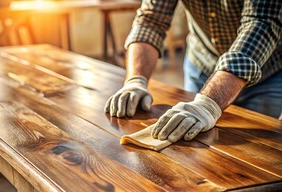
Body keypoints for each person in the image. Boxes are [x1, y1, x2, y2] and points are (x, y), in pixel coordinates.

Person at [105, 0, 282, 143]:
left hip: (268, 72)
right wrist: (135, 80)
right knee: (196, 149)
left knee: (263, 150)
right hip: (202, 65)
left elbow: (262, 22)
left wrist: (208, 104)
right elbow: (151, 21)